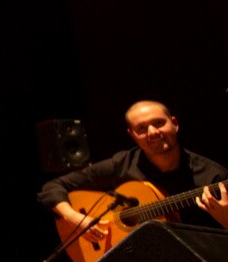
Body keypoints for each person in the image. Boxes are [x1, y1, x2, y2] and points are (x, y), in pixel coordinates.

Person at [38, 100, 228, 251]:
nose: (153, 132)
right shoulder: (121, 164)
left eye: (159, 123)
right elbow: (51, 189)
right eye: (142, 129)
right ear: (132, 135)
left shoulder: (212, 176)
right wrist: (74, 218)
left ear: (175, 124)